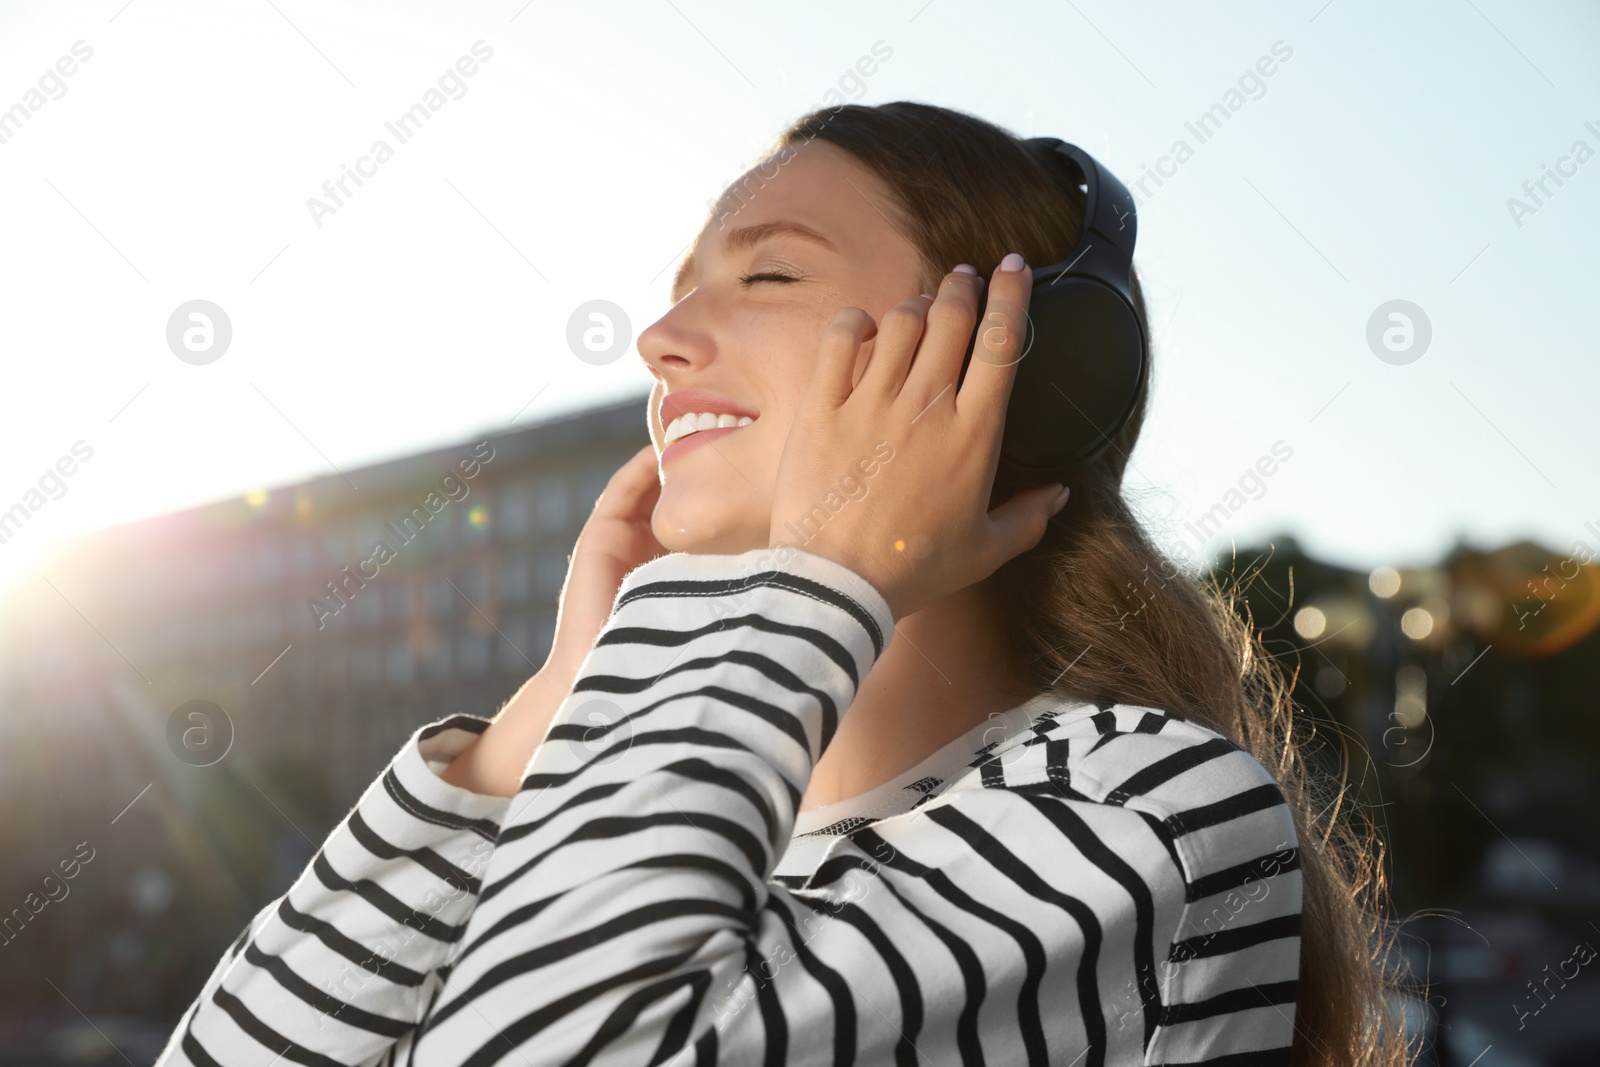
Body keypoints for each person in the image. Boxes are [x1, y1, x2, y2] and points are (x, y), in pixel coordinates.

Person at [155, 102, 1410, 1066]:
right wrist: (531, 734)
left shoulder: (1136, 810)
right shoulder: (648, 828)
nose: (660, 339)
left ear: (1009, 367)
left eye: (767, 274)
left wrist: (811, 572)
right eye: (679, 291)